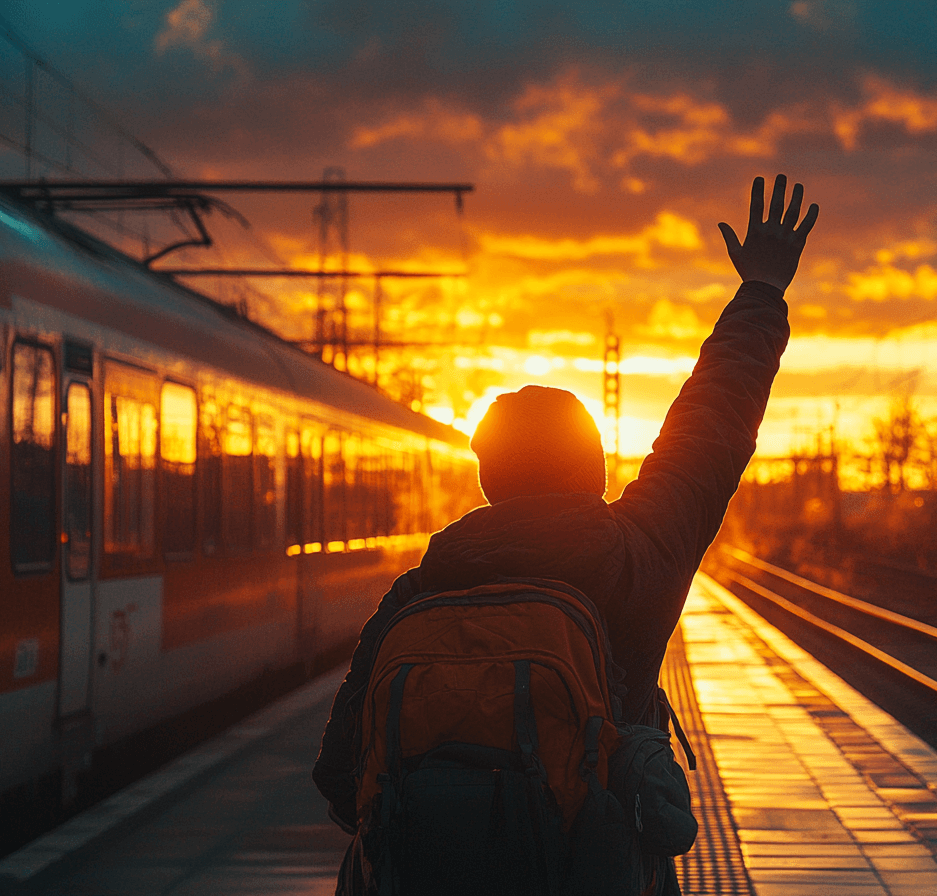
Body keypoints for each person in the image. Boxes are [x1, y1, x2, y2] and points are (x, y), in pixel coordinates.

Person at [314, 174, 818, 891]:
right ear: (595, 471)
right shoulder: (635, 562)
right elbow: (710, 429)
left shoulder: (417, 593)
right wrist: (762, 291)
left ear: (488, 479)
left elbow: (339, 774)